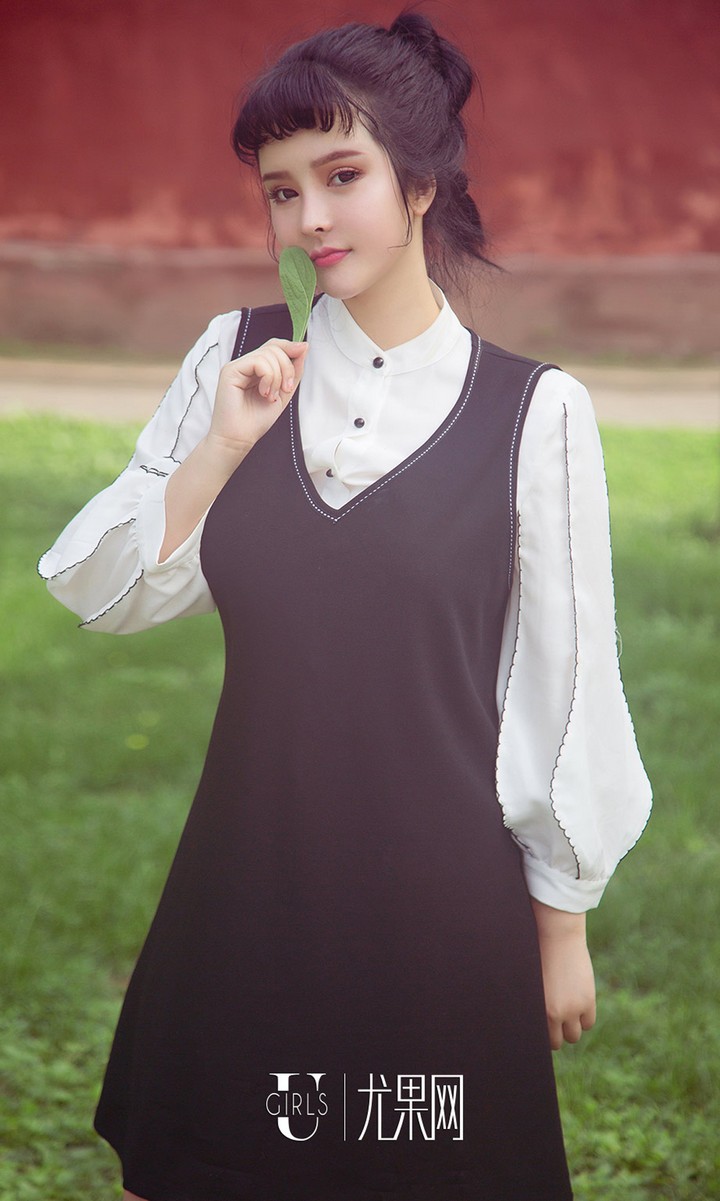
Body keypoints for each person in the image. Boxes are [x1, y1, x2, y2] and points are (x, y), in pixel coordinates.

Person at [38, 11, 652, 1201]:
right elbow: (103, 592)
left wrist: (562, 923)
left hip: (438, 915)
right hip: (242, 893)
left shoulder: (537, 413)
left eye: (342, 176)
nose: (308, 217)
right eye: (281, 191)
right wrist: (223, 444)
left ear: (421, 182)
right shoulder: (233, 358)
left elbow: (565, 680)